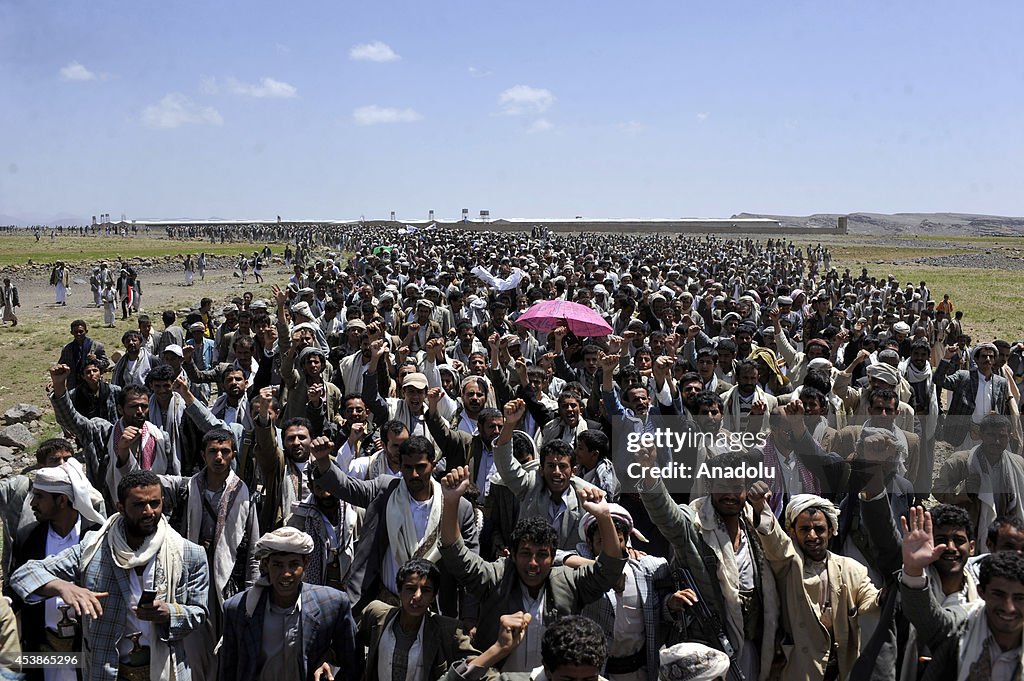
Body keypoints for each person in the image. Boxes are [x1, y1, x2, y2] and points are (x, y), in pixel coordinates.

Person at [8, 470, 210, 681]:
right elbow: (23, 574)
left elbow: (198, 613)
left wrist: (169, 613)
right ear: (120, 507)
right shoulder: (94, 548)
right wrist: (62, 586)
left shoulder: (188, 553)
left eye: (155, 503)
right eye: (139, 505)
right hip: (107, 671)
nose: (149, 511)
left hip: (166, 670)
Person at [438, 464, 626, 673]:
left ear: (554, 557)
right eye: (526, 554)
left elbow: (608, 571)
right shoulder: (497, 577)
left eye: (542, 555)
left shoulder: (568, 582)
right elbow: (457, 559)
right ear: (513, 553)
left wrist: (603, 515)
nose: (533, 564)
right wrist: (452, 501)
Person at [307, 432, 478, 614]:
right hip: (385, 604)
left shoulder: (457, 507)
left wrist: (470, 617)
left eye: (421, 467)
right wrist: (323, 461)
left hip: (436, 610)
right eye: (408, 467)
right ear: (400, 467)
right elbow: (347, 488)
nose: (414, 474)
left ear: (433, 466)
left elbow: (470, 568)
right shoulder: (386, 490)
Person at [219, 527, 361, 681]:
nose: (286, 574)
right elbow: (228, 670)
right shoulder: (238, 609)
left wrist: (328, 660)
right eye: (278, 565)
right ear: (266, 564)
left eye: (293, 564)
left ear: (305, 563)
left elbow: (352, 661)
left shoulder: (332, 604)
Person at [899, 507, 1024, 681]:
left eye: (1019, 598)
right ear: (982, 592)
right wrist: (913, 569)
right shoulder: (964, 620)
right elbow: (929, 620)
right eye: (998, 595)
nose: (1009, 607)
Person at [10, 463, 106, 681]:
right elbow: (17, 587)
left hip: (86, 649)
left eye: (40, 497)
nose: (33, 503)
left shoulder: (95, 538)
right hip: (42, 649)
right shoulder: (29, 537)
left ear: (61, 500)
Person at [359, 558, 483, 681]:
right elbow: (354, 651)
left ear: (433, 597)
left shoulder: (448, 631)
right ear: (399, 591)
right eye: (410, 589)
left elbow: (479, 665)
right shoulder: (376, 615)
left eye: (426, 590)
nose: (417, 596)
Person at [57, 320, 110, 392]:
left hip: (93, 384)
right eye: (75, 332)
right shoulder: (68, 349)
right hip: (74, 386)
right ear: (71, 333)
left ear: (86, 331)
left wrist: (95, 360)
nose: (78, 334)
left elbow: (106, 363)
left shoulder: (96, 346)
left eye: (81, 331)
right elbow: (60, 366)